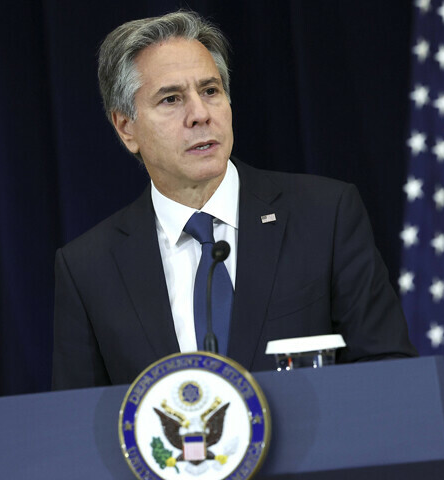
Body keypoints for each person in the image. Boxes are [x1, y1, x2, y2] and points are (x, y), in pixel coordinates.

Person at [52, 10, 417, 390]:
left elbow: (389, 369)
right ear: (127, 128)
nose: (200, 114)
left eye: (210, 91)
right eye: (172, 99)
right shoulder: (89, 268)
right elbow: (76, 425)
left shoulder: (325, 215)